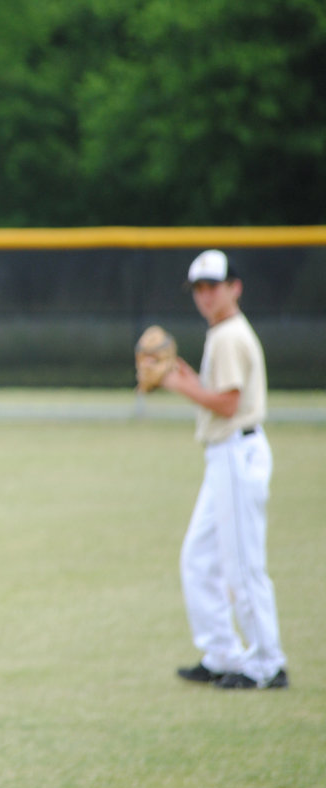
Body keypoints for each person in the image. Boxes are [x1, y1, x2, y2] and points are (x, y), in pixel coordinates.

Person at [161, 249, 288, 690]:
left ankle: (266, 663)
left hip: (237, 453)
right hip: (225, 456)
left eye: (212, 286)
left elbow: (228, 403)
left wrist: (181, 385)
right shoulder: (223, 332)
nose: (205, 296)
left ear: (234, 287)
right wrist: (192, 381)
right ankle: (222, 653)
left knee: (241, 564)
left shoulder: (229, 335)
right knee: (198, 559)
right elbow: (221, 394)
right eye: (198, 288)